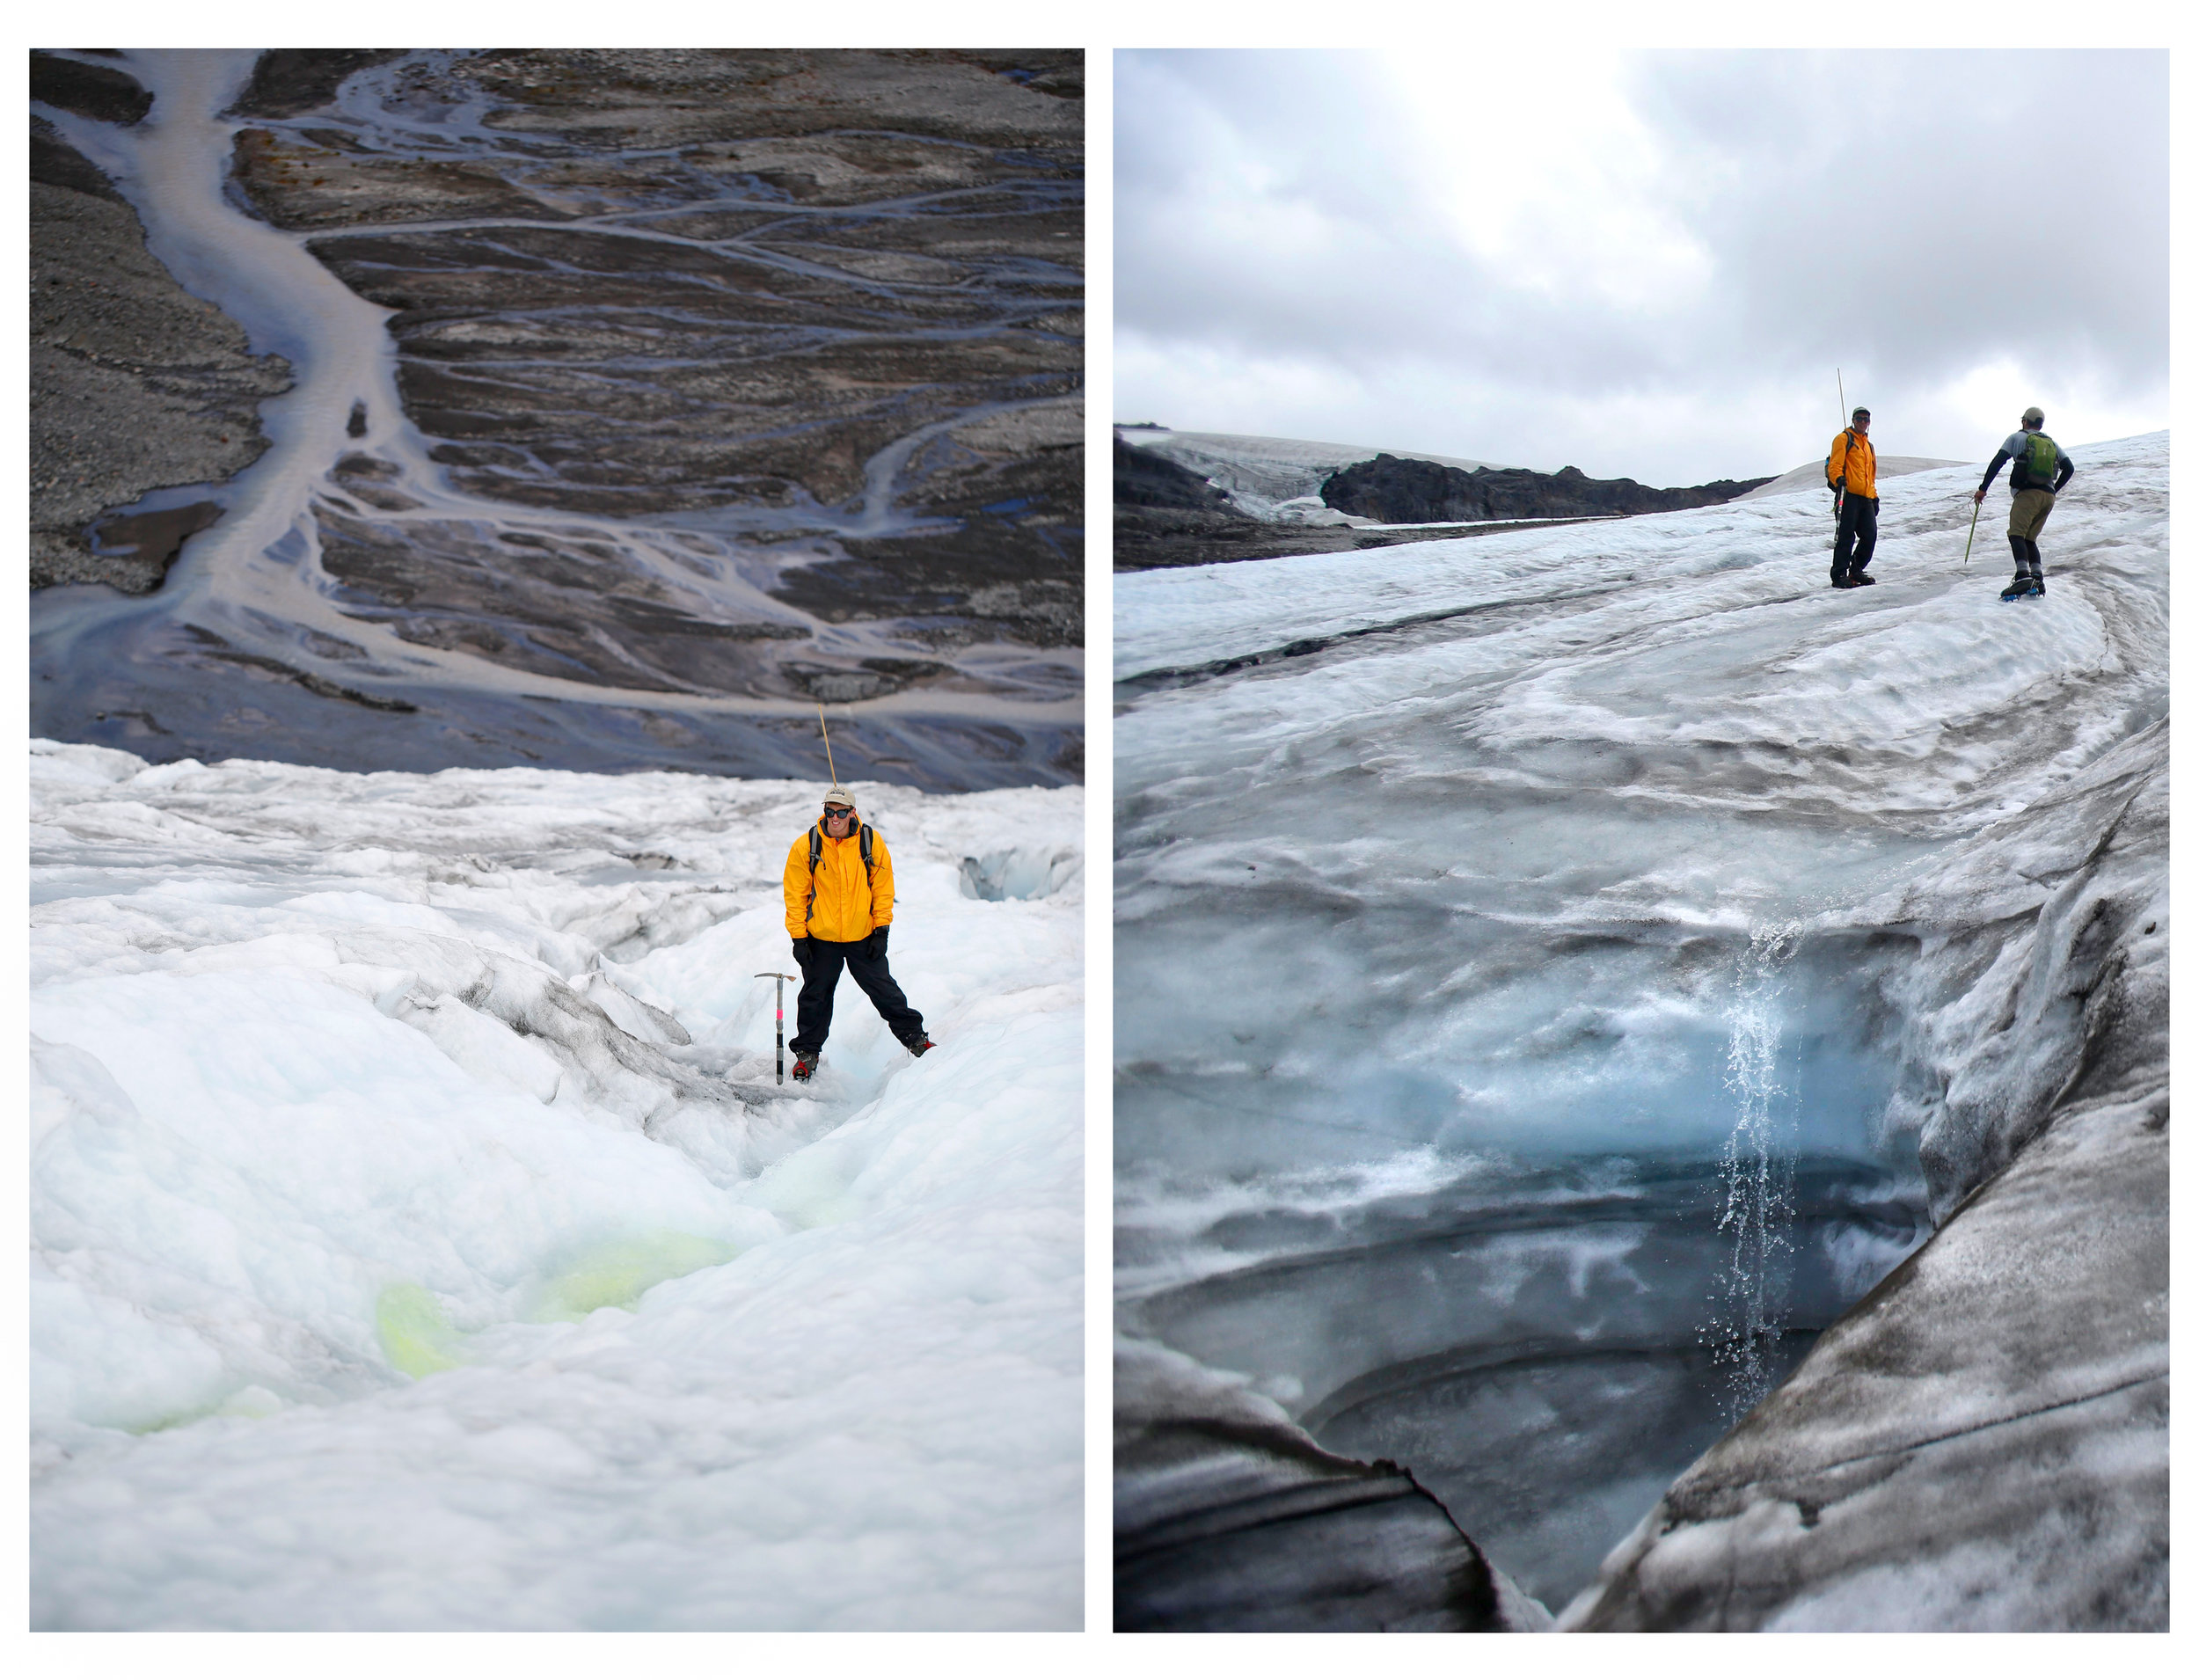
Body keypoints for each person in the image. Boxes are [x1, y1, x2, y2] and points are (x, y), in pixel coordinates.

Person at [781, 786, 933, 1082]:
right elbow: (795, 895)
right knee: (815, 997)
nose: (834, 817)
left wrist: (882, 929)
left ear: (852, 812)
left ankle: (916, 1039)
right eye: (829, 811)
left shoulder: (870, 842)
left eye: (841, 811)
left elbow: (882, 887)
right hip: (821, 939)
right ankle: (806, 1055)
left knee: (884, 990)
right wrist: (799, 938)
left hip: (863, 936)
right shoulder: (807, 845)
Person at [1973, 406, 2075, 600]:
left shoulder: (2016, 438)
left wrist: (1983, 488)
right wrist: (2053, 489)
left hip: (2027, 494)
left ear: (2025, 421)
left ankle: (2022, 577)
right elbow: (2069, 468)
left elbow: (1998, 462)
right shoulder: (2050, 442)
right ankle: (2037, 579)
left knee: (2016, 535)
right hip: (2048, 497)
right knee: (2030, 539)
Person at [1826, 406, 1879, 588]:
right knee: (1846, 536)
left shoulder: (1868, 446)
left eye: (1866, 420)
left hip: (1865, 498)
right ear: (1853, 420)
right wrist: (1838, 479)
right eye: (1859, 419)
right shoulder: (1843, 439)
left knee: (1870, 535)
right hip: (1848, 495)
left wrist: (1874, 496)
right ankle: (1839, 575)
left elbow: (1870, 475)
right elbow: (1835, 465)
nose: (1863, 423)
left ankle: (1856, 570)